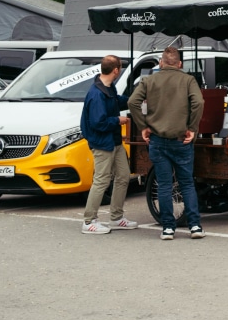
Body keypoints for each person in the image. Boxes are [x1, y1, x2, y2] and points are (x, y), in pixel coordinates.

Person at [129, 46, 206, 240]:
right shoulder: (188, 80)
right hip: (181, 139)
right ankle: (195, 226)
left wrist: (143, 125)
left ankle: (168, 228)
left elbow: (132, 102)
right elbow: (199, 102)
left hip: (157, 139)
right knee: (187, 183)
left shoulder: (149, 80)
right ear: (180, 64)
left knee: (164, 184)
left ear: (161, 63)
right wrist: (192, 128)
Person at [79, 55, 136, 234]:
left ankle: (116, 217)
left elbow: (117, 101)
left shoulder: (107, 88)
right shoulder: (97, 94)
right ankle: (89, 221)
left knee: (123, 176)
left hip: (114, 141)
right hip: (103, 143)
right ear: (116, 70)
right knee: (102, 180)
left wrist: (134, 99)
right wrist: (118, 120)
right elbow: (98, 122)